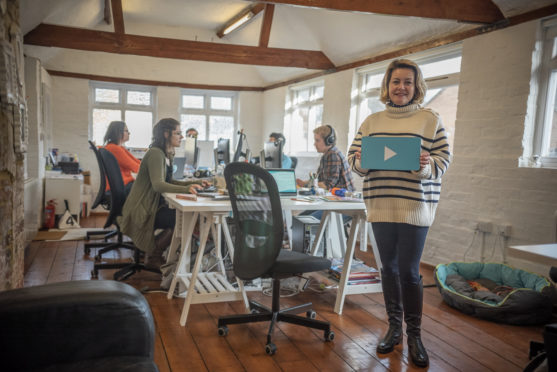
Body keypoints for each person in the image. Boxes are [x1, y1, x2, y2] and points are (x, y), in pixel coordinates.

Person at [347, 59, 451, 368]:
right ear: (387, 86)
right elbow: (355, 160)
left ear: (416, 86)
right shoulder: (371, 121)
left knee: (408, 271)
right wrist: (364, 160)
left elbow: (443, 160)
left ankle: (415, 335)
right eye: (396, 82)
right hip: (380, 204)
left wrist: (426, 165)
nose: (401, 87)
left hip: (414, 206)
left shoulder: (430, 119)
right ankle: (394, 328)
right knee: (388, 269)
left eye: (407, 82)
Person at [118, 118, 208, 269]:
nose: (182, 137)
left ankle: (169, 254)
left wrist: (193, 184)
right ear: (166, 134)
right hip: (143, 210)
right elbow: (158, 185)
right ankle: (154, 256)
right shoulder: (156, 154)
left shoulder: (164, 154)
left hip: (151, 206)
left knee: (182, 217)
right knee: (182, 218)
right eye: (178, 133)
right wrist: (187, 189)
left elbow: (169, 181)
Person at [296, 125, 355, 192]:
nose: (314, 144)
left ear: (329, 141)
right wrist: (304, 183)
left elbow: (327, 185)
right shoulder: (327, 154)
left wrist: (305, 184)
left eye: (317, 140)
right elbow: (319, 180)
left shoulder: (333, 155)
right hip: (335, 197)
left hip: (342, 198)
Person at [103, 121, 140, 196]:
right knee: (152, 190)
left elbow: (137, 162)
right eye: (126, 131)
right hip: (121, 186)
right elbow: (136, 168)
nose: (129, 133)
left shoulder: (117, 147)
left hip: (120, 184)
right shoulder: (114, 148)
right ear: (118, 132)